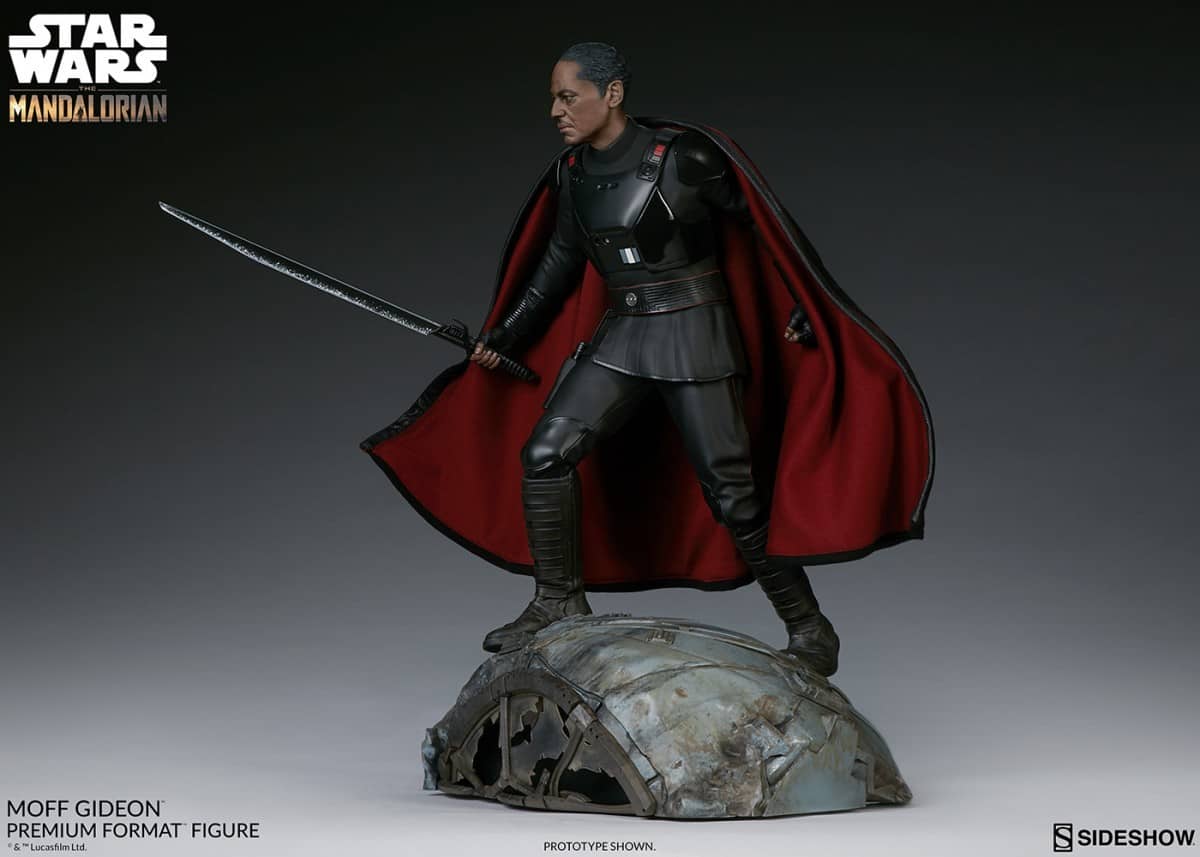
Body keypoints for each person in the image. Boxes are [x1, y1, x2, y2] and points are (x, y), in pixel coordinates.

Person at [361, 43, 934, 679]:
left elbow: (765, 232)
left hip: (694, 333)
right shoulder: (573, 173)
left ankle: (808, 626)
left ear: (611, 94)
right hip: (621, 334)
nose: (555, 111)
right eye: (553, 99)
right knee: (545, 454)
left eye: (568, 96)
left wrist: (802, 302)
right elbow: (558, 264)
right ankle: (557, 600)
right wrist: (506, 335)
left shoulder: (685, 158)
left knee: (732, 493)